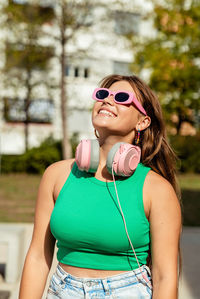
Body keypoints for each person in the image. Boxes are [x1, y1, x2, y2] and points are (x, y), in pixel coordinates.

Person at [19, 74, 182, 299]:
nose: (107, 101)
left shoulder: (157, 190)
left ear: (142, 122)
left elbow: (165, 276)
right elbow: (37, 257)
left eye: (122, 98)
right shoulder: (56, 175)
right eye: (103, 95)